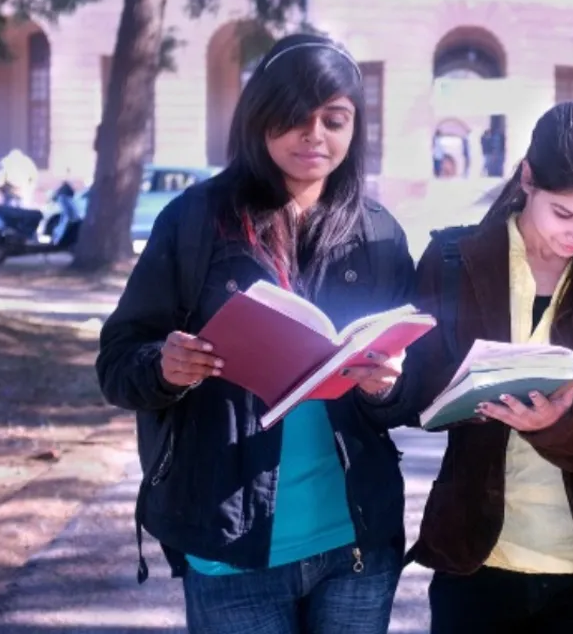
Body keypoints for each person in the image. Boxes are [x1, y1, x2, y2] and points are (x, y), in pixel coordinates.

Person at [96, 34, 415, 634]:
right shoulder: (196, 221)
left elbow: (412, 390)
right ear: (258, 119)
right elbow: (117, 362)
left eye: (334, 119)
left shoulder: (380, 236)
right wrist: (164, 367)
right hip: (230, 542)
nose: (314, 134)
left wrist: (389, 386)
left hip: (356, 542)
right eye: (294, 116)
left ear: (355, 128)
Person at [400, 101, 573, 634]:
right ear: (527, 178)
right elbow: (416, 397)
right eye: (563, 213)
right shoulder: (453, 260)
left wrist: (557, 428)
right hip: (475, 559)